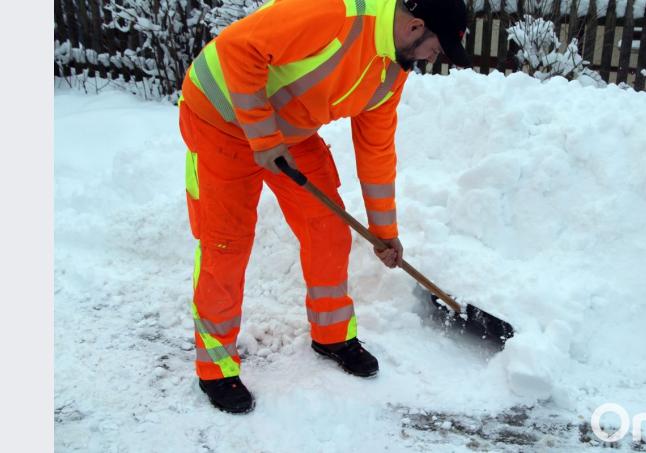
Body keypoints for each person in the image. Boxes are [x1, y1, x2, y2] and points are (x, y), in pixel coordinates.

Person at [178, 0, 471, 414]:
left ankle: (332, 335)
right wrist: (263, 137)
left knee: (328, 228)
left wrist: (384, 232)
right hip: (219, 116)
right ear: (415, 27)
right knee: (226, 244)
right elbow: (237, 49)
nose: (433, 58)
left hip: (290, 130)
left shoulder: (392, 72)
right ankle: (215, 368)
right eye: (435, 49)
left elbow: (376, 153)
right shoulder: (337, 13)